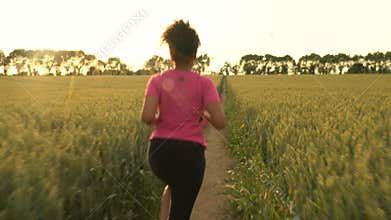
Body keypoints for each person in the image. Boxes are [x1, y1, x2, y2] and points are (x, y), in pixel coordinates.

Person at [141, 20, 226, 220]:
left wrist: (163, 120)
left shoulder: (157, 80)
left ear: (171, 53)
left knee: (172, 185)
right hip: (190, 156)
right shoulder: (204, 84)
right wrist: (204, 114)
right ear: (195, 55)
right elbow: (220, 122)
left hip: (160, 153)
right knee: (181, 211)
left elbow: (146, 116)